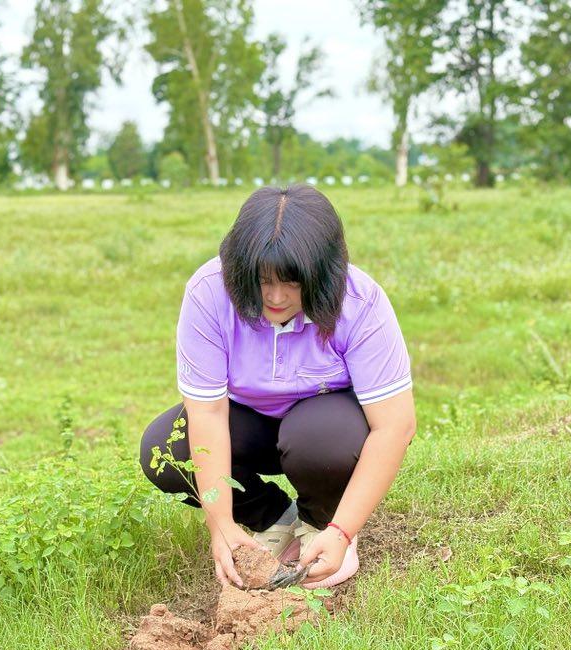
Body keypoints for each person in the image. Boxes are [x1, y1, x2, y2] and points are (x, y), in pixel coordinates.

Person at [139, 183, 417, 590]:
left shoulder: (360, 302)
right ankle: (276, 520)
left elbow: (395, 426)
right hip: (249, 421)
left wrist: (341, 531)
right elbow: (208, 415)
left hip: (323, 428)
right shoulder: (209, 292)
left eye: (292, 282)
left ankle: (321, 522)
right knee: (165, 449)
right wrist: (221, 524)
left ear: (323, 273)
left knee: (321, 439)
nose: (274, 296)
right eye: (262, 279)